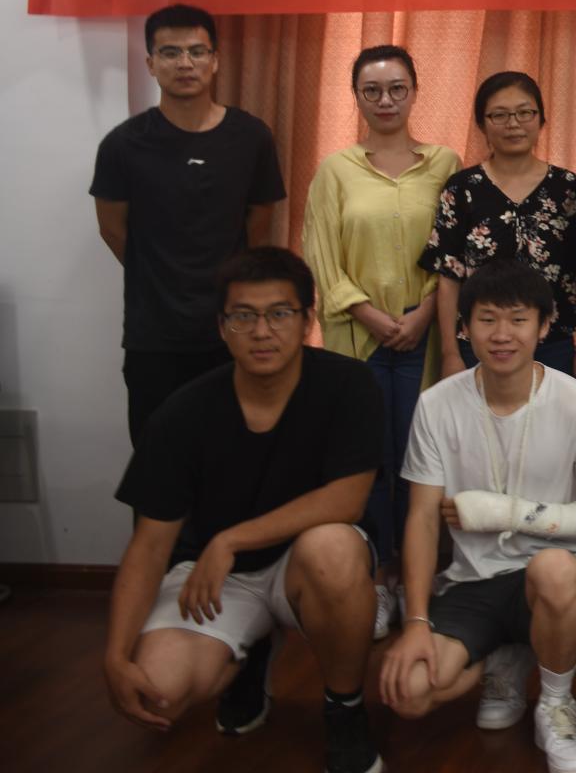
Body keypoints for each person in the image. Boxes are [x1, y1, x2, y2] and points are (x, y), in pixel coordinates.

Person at [104, 247, 383, 773]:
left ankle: (345, 708)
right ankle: (250, 655)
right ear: (222, 327)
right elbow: (149, 546)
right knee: (158, 692)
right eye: (243, 316)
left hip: (305, 565)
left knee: (332, 546)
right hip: (218, 576)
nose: (261, 331)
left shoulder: (348, 384)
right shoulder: (183, 412)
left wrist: (230, 540)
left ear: (307, 320)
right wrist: (116, 656)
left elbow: (346, 500)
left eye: (279, 313)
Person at [382, 260, 576, 773]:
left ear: (544, 326)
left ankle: (555, 705)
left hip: (559, 576)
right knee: (409, 693)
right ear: (464, 327)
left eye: (518, 319)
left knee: (553, 570)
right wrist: (415, 621)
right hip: (473, 579)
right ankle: (506, 656)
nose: (502, 334)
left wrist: (508, 514)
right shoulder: (437, 405)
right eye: (487, 319)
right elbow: (422, 519)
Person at [303, 43, 460, 627]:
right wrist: (367, 312)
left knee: (420, 463)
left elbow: (456, 252)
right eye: (372, 90)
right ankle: (375, 579)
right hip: (357, 340)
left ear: (415, 92)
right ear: (357, 97)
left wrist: (423, 313)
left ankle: (417, 576)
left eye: (397, 88)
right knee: (368, 462)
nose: (386, 100)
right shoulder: (336, 170)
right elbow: (320, 253)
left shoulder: (444, 163)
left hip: (425, 337)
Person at [91, 3, 286, 442]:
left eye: (197, 52)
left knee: (234, 452)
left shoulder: (251, 137)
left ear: (215, 61)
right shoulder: (123, 144)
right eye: (170, 52)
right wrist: (160, 274)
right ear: (151, 63)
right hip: (154, 336)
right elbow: (112, 228)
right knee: (158, 456)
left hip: (233, 328)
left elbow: (259, 222)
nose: (185, 63)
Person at [420, 71, 576, 382]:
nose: (513, 124)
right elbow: (449, 276)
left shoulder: (567, 187)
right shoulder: (462, 188)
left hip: (553, 343)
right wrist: (450, 353)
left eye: (525, 113)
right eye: (499, 115)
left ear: (541, 120)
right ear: (482, 124)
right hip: (479, 343)